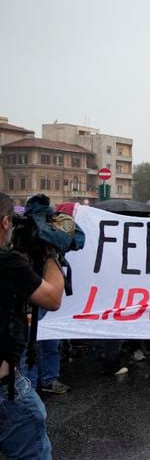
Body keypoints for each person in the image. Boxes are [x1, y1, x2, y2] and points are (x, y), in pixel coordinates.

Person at [1, 192, 66, 458]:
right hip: (6, 392)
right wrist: (51, 253)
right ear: (6, 222)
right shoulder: (6, 262)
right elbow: (52, 298)